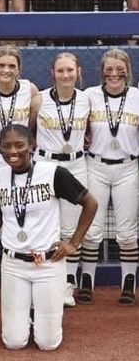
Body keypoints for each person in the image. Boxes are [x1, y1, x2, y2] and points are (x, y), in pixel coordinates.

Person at [0, 124, 97, 351]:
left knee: (48, 344)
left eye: (19, 145)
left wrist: (73, 243)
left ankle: (38, 312)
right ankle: (28, 312)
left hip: (49, 262)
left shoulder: (53, 173)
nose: (13, 151)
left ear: (32, 145)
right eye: (6, 146)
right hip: (13, 264)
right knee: (14, 342)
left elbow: (90, 203)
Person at [79, 49, 139, 305]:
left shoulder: (137, 96)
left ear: (128, 70)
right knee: (92, 231)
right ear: (102, 71)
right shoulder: (90, 96)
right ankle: (87, 282)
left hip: (128, 166)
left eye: (120, 68)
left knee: (126, 232)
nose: (114, 73)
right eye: (109, 69)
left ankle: (129, 284)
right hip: (96, 165)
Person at [31, 53, 91, 308]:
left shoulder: (87, 99)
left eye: (70, 70)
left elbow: (91, 130)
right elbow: (29, 130)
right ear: (52, 73)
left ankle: (67, 283)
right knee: (42, 222)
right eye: (60, 71)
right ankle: (41, 278)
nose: (65, 75)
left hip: (76, 162)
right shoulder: (39, 99)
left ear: (78, 71)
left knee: (69, 227)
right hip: (45, 163)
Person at [0, 46, 39, 171]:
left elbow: (33, 122)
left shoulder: (29, 90)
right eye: (1, 65)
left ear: (19, 69)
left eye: (12, 66)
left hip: (19, 156)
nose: (6, 70)